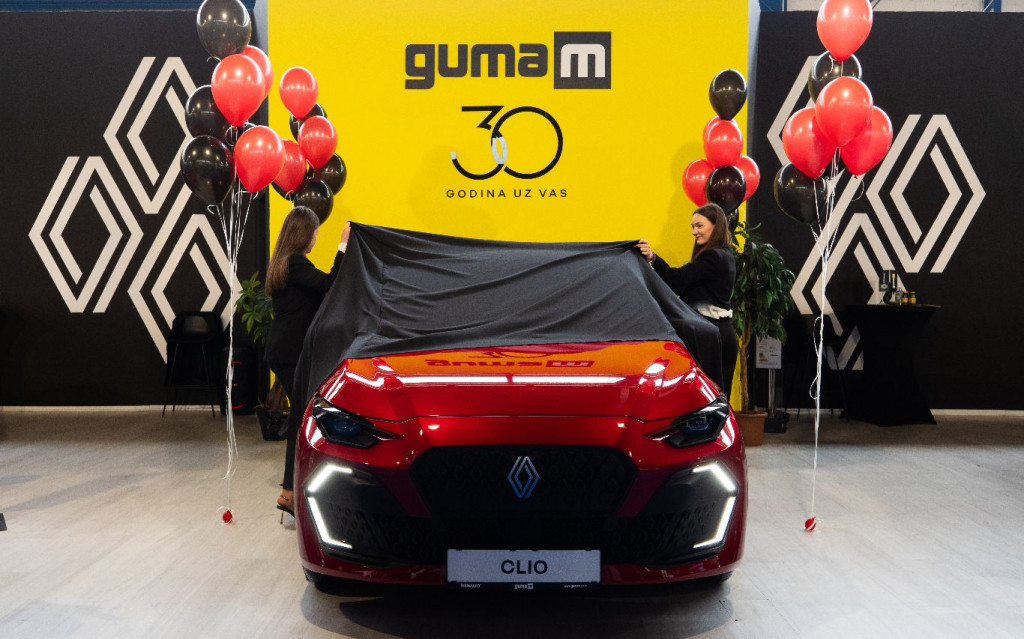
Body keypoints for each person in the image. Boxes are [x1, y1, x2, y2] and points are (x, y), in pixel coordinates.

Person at [264, 206, 349, 518]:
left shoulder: (284, 263)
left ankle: (293, 487)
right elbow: (330, 283)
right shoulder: (296, 263)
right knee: (301, 422)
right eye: (314, 233)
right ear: (303, 234)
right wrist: (344, 245)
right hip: (290, 355)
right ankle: (289, 491)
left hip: (283, 352)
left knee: (301, 420)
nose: (315, 238)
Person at [636, 203, 737, 402]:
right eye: (693, 226)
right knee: (719, 397)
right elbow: (683, 287)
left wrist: (653, 258)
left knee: (706, 397)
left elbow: (678, 280)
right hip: (723, 332)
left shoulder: (712, 256)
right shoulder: (726, 254)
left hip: (709, 334)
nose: (694, 232)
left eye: (699, 226)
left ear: (715, 226)